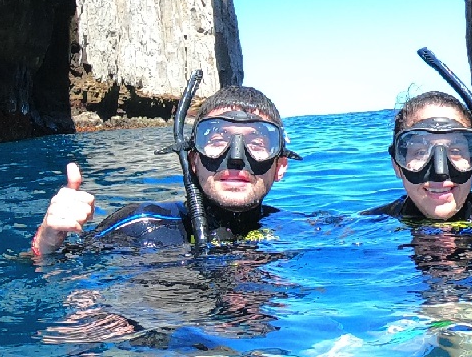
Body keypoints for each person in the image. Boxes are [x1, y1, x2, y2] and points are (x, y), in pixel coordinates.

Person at [31, 84, 294, 256]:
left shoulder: (303, 229)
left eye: (257, 143)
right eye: (216, 141)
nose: (236, 158)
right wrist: (49, 240)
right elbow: (44, 271)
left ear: (280, 165)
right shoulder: (137, 226)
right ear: (192, 159)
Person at [366, 90, 472, 225]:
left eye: (456, 151)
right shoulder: (363, 226)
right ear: (397, 165)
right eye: (421, 152)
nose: (440, 173)